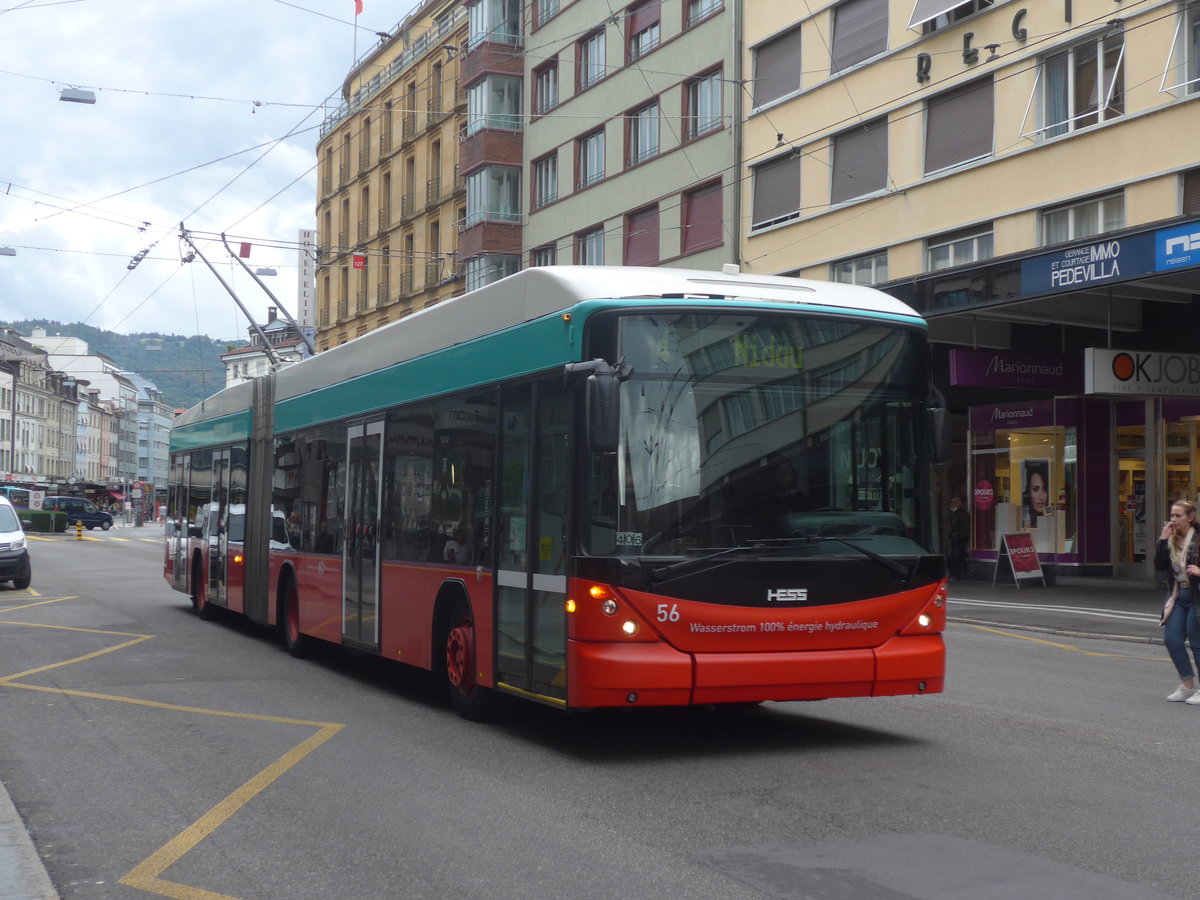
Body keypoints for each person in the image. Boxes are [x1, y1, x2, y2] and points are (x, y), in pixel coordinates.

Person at [1154, 500, 1200, 704]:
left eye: (1178, 516)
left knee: (1197, 644)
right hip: (1178, 595)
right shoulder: (1171, 539)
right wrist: (1163, 540)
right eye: (1172, 515)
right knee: (1172, 640)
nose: (1173, 520)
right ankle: (1187, 685)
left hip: (1197, 596)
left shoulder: (1198, 539)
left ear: (1190, 518)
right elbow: (1159, 566)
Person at [947, 496, 969, 580]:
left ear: (958, 504)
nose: (951, 505)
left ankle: (956, 575)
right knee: (953, 556)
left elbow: (965, 528)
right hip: (954, 539)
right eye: (951, 503)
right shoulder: (954, 514)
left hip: (959, 540)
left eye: (953, 503)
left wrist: (960, 537)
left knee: (957, 557)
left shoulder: (962, 514)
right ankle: (952, 574)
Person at [1023, 461, 1050, 528]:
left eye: (1044, 490)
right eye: (1035, 489)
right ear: (1028, 492)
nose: (1041, 497)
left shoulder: (1049, 516)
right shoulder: (1024, 516)